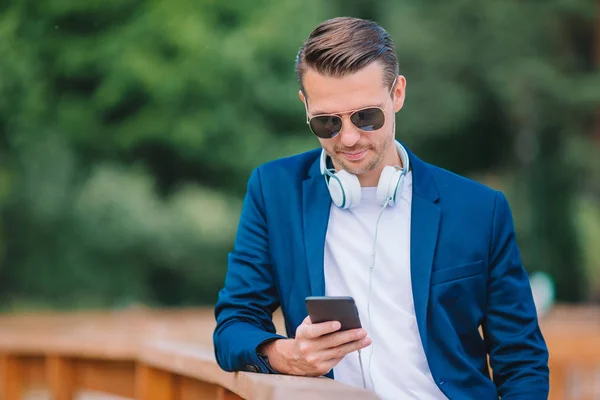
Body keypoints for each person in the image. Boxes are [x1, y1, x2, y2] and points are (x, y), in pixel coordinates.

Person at [213, 16, 549, 400]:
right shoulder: (273, 192)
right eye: (327, 122)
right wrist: (288, 355)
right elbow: (233, 327)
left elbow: (521, 360)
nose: (350, 138)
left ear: (398, 94)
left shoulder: (480, 209)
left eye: (366, 116)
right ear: (304, 105)